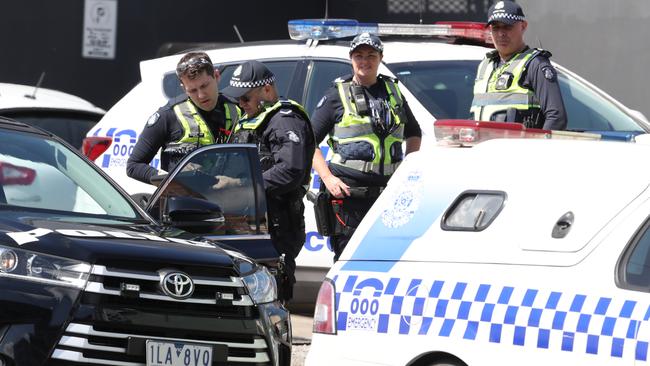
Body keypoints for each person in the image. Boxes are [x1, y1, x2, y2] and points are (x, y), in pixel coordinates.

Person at [310, 32, 422, 261]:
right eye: (359, 55)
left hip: (388, 196)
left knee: (388, 259)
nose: (365, 61)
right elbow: (308, 142)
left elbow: (414, 133)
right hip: (350, 195)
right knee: (349, 258)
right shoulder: (336, 95)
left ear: (380, 57)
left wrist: (407, 172)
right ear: (351, 58)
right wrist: (329, 179)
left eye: (371, 55)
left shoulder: (393, 92)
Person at [221, 60, 315, 302]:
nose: (241, 105)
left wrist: (241, 187)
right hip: (248, 223)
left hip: (277, 223)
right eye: (237, 100)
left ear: (266, 90)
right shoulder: (252, 119)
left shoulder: (284, 120)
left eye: (245, 99)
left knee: (271, 295)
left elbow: (290, 170)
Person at [127, 52, 241, 185]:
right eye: (192, 90)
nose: (201, 95)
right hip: (185, 202)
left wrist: (239, 182)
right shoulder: (168, 115)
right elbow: (133, 166)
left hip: (231, 200)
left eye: (205, 86)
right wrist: (171, 180)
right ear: (184, 88)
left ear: (216, 76)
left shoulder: (238, 109)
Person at [470, 0, 567, 130]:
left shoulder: (535, 64)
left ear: (523, 26)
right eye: (495, 27)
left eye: (507, 26)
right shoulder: (485, 65)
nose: (501, 33)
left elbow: (556, 117)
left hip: (519, 149)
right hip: (483, 147)